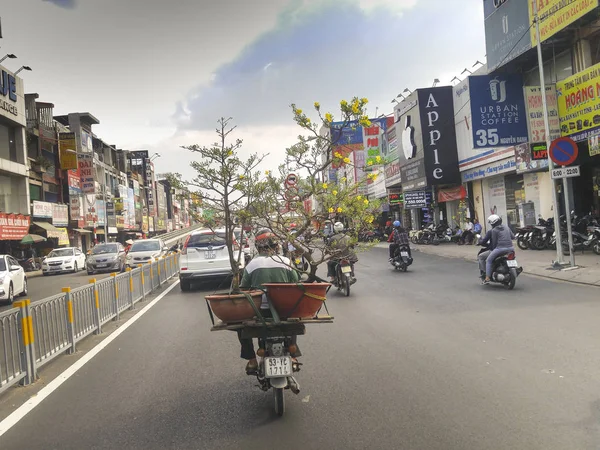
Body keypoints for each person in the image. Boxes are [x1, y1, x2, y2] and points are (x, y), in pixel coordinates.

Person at [238, 229, 300, 373]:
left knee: (240, 327)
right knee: (294, 322)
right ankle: (293, 355)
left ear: (258, 247)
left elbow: (244, 288)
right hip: (283, 310)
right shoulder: (285, 261)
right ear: (276, 246)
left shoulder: (252, 265)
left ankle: (252, 360)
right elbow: (296, 283)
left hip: (259, 311)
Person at [477, 214, 515, 284]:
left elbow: (494, 242)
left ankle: (487, 277)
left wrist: (492, 251)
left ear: (492, 223)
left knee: (488, 260)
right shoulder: (506, 227)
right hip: (511, 248)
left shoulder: (494, 230)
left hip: (500, 249)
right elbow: (513, 237)